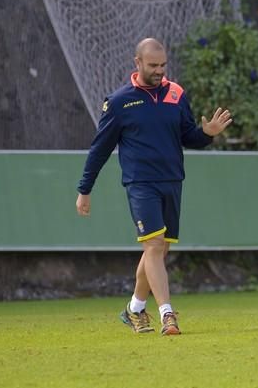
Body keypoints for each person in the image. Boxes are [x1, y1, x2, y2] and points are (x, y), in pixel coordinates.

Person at [76, 38, 232, 335]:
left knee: (159, 250)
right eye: (153, 66)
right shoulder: (120, 102)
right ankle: (167, 315)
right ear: (137, 63)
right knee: (154, 245)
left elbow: (188, 136)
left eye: (163, 65)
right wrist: (85, 189)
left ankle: (133, 309)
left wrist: (207, 133)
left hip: (173, 181)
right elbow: (99, 149)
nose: (160, 71)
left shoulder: (176, 94)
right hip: (140, 183)